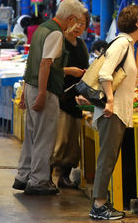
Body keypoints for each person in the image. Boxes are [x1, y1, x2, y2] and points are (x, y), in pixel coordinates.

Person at [13, 0, 87, 196]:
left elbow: (32, 61)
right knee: (45, 136)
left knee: (32, 135)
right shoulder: (55, 33)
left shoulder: (41, 28)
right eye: (76, 21)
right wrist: (43, 93)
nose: (76, 25)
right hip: (42, 88)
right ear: (70, 18)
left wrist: (24, 93)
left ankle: (23, 175)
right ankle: (38, 180)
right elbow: (45, 64)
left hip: (31, 86)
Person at [87, 4, 138, 220]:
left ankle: (101, 201)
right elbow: (105, 74)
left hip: (119, 112)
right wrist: (111, 101)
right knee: (107, 158)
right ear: (137, 23)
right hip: (111, 112)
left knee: (110, 157)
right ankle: (98, 205)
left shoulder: (129, 45)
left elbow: (130, 80)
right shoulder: (122, 44)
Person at [51, 12, 88, 189]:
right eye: (77, 23)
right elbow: (49, 68)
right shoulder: (59, 42)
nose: (79, 27)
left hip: (76, 99)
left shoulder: (81, 44)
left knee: (73, 143)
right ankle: (44, 178)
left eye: (83, 24)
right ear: (69, 22)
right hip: (60, 98)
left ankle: (64, 177)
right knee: (59, 141)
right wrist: (69, 71)